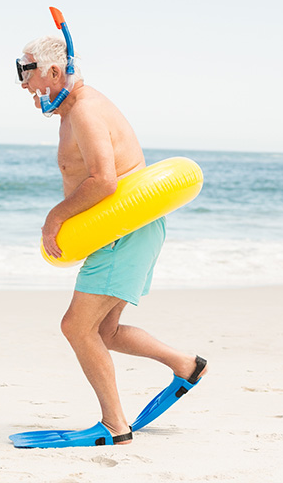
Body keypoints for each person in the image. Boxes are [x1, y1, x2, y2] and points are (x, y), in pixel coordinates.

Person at [12, 34, 208, 447]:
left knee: (76, 327)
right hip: (122, 231)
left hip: (124, 231)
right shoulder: (71, 111)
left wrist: (55, 217)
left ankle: (114, 426)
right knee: (104, 331)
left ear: (52, 71)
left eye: (25, 72)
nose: (24, 85)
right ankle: (187, 366)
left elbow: (104, 181)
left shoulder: (84, 111)